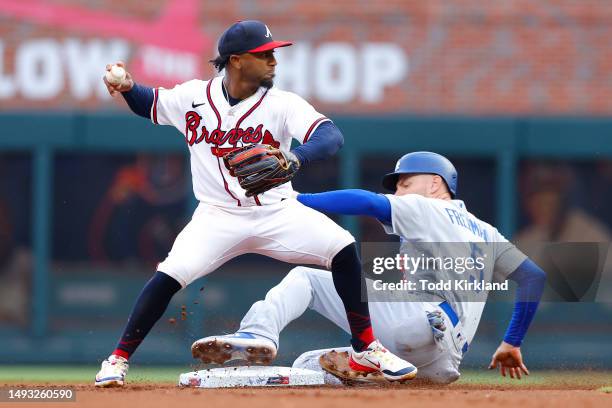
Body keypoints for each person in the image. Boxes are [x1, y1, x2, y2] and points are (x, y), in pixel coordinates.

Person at [95, 20, 415, 387]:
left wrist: (297, 158)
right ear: (236, 61)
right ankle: (117, 360)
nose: (273, 61)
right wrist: (128, 87)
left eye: (273, 53)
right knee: (169, 276)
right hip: (216, 217)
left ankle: (365, 349)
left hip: (278, 211)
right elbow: (149, 103)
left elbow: (330, 135)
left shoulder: (282, 103)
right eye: (264, 55)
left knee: (342, 247)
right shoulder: (193, 97)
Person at [194, 152, 547, 384]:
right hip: (442, 364)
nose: (400, 189)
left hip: (419, 323)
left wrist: (295, 199)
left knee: (307, 279)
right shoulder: (487, 232)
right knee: (306, 367)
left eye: (405, 182)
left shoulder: (429, 208)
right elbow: (533, 276)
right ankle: (369, 367)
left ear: (436, 183)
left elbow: (366, 202)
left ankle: (258, 334)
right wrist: (512, 342)